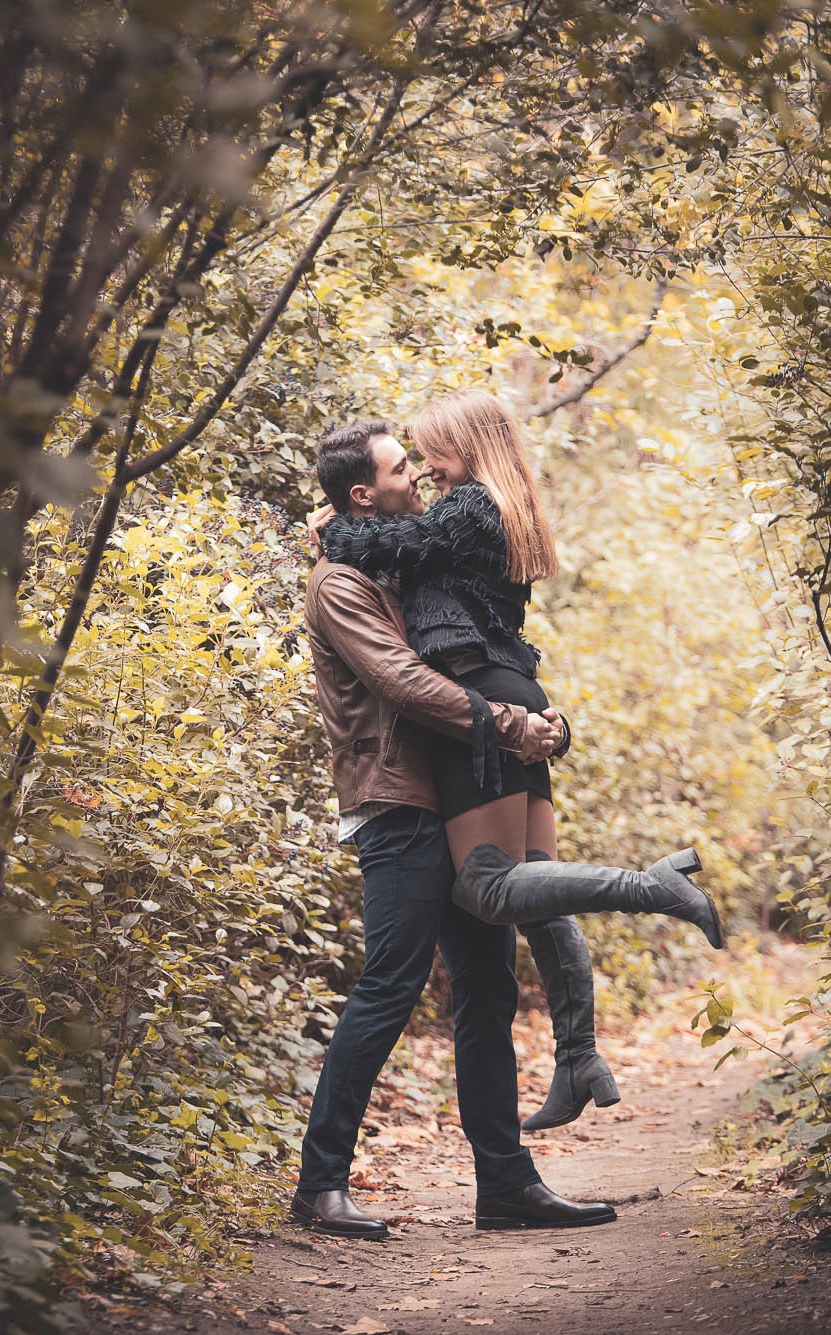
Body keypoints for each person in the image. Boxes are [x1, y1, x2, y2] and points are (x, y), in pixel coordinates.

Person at [311, 396, 724, 1136]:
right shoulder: (479, 511)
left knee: (493, 885)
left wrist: (332, 531)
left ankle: (649, 886)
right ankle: (578, 1054)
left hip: (484, 707)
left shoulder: (466, 507)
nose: (424, 466)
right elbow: (399, 576)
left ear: (468, 446)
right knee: (533, 895)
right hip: (505, 700)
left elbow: (393, 553)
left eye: (427, 453)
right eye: (408, 460)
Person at [293, 419, 621, 1239]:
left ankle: (506, 1186)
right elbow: (402, 681)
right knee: (391, 985)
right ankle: (320, 1182)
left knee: (489, 986)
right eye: (404, 467)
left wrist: (535, 717)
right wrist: (509, 722)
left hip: (453, 792)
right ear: (364, 492)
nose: (419, 475)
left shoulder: (401, 565)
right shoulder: (339, 585)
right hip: (399, 804)